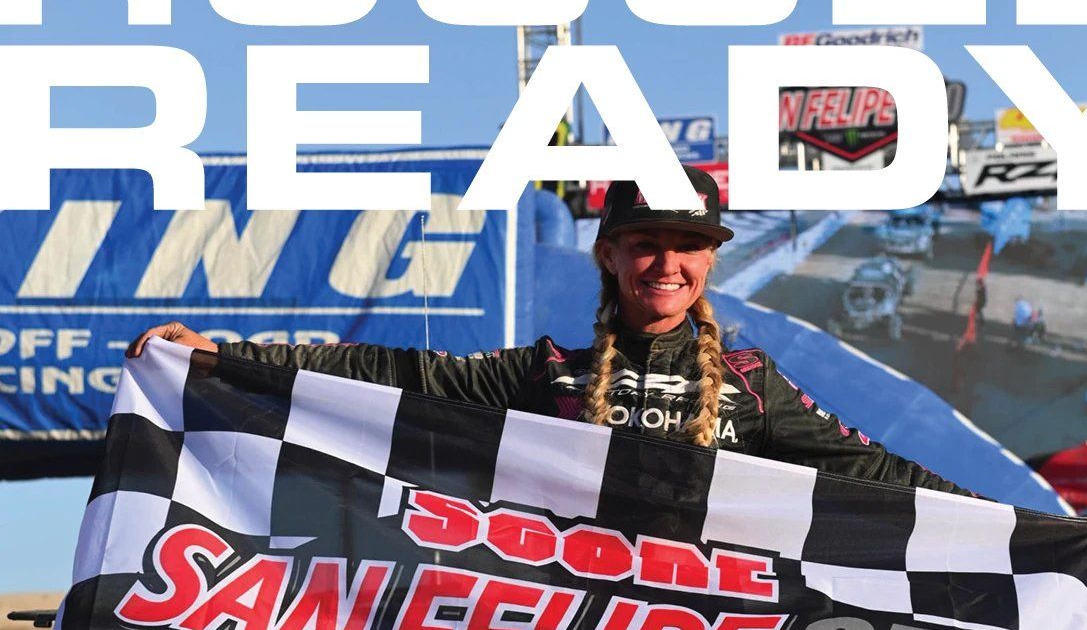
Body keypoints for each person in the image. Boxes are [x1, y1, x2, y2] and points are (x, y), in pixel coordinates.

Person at [128, 166, 972, 496]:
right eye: (645, 244)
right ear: (609, 254)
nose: (666, 264)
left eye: (687, 246)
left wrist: (1013, 528)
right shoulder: (546, 372)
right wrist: (225, 356)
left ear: (710, 260)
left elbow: (875, 469)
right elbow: (389, 371)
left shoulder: (753, 382)